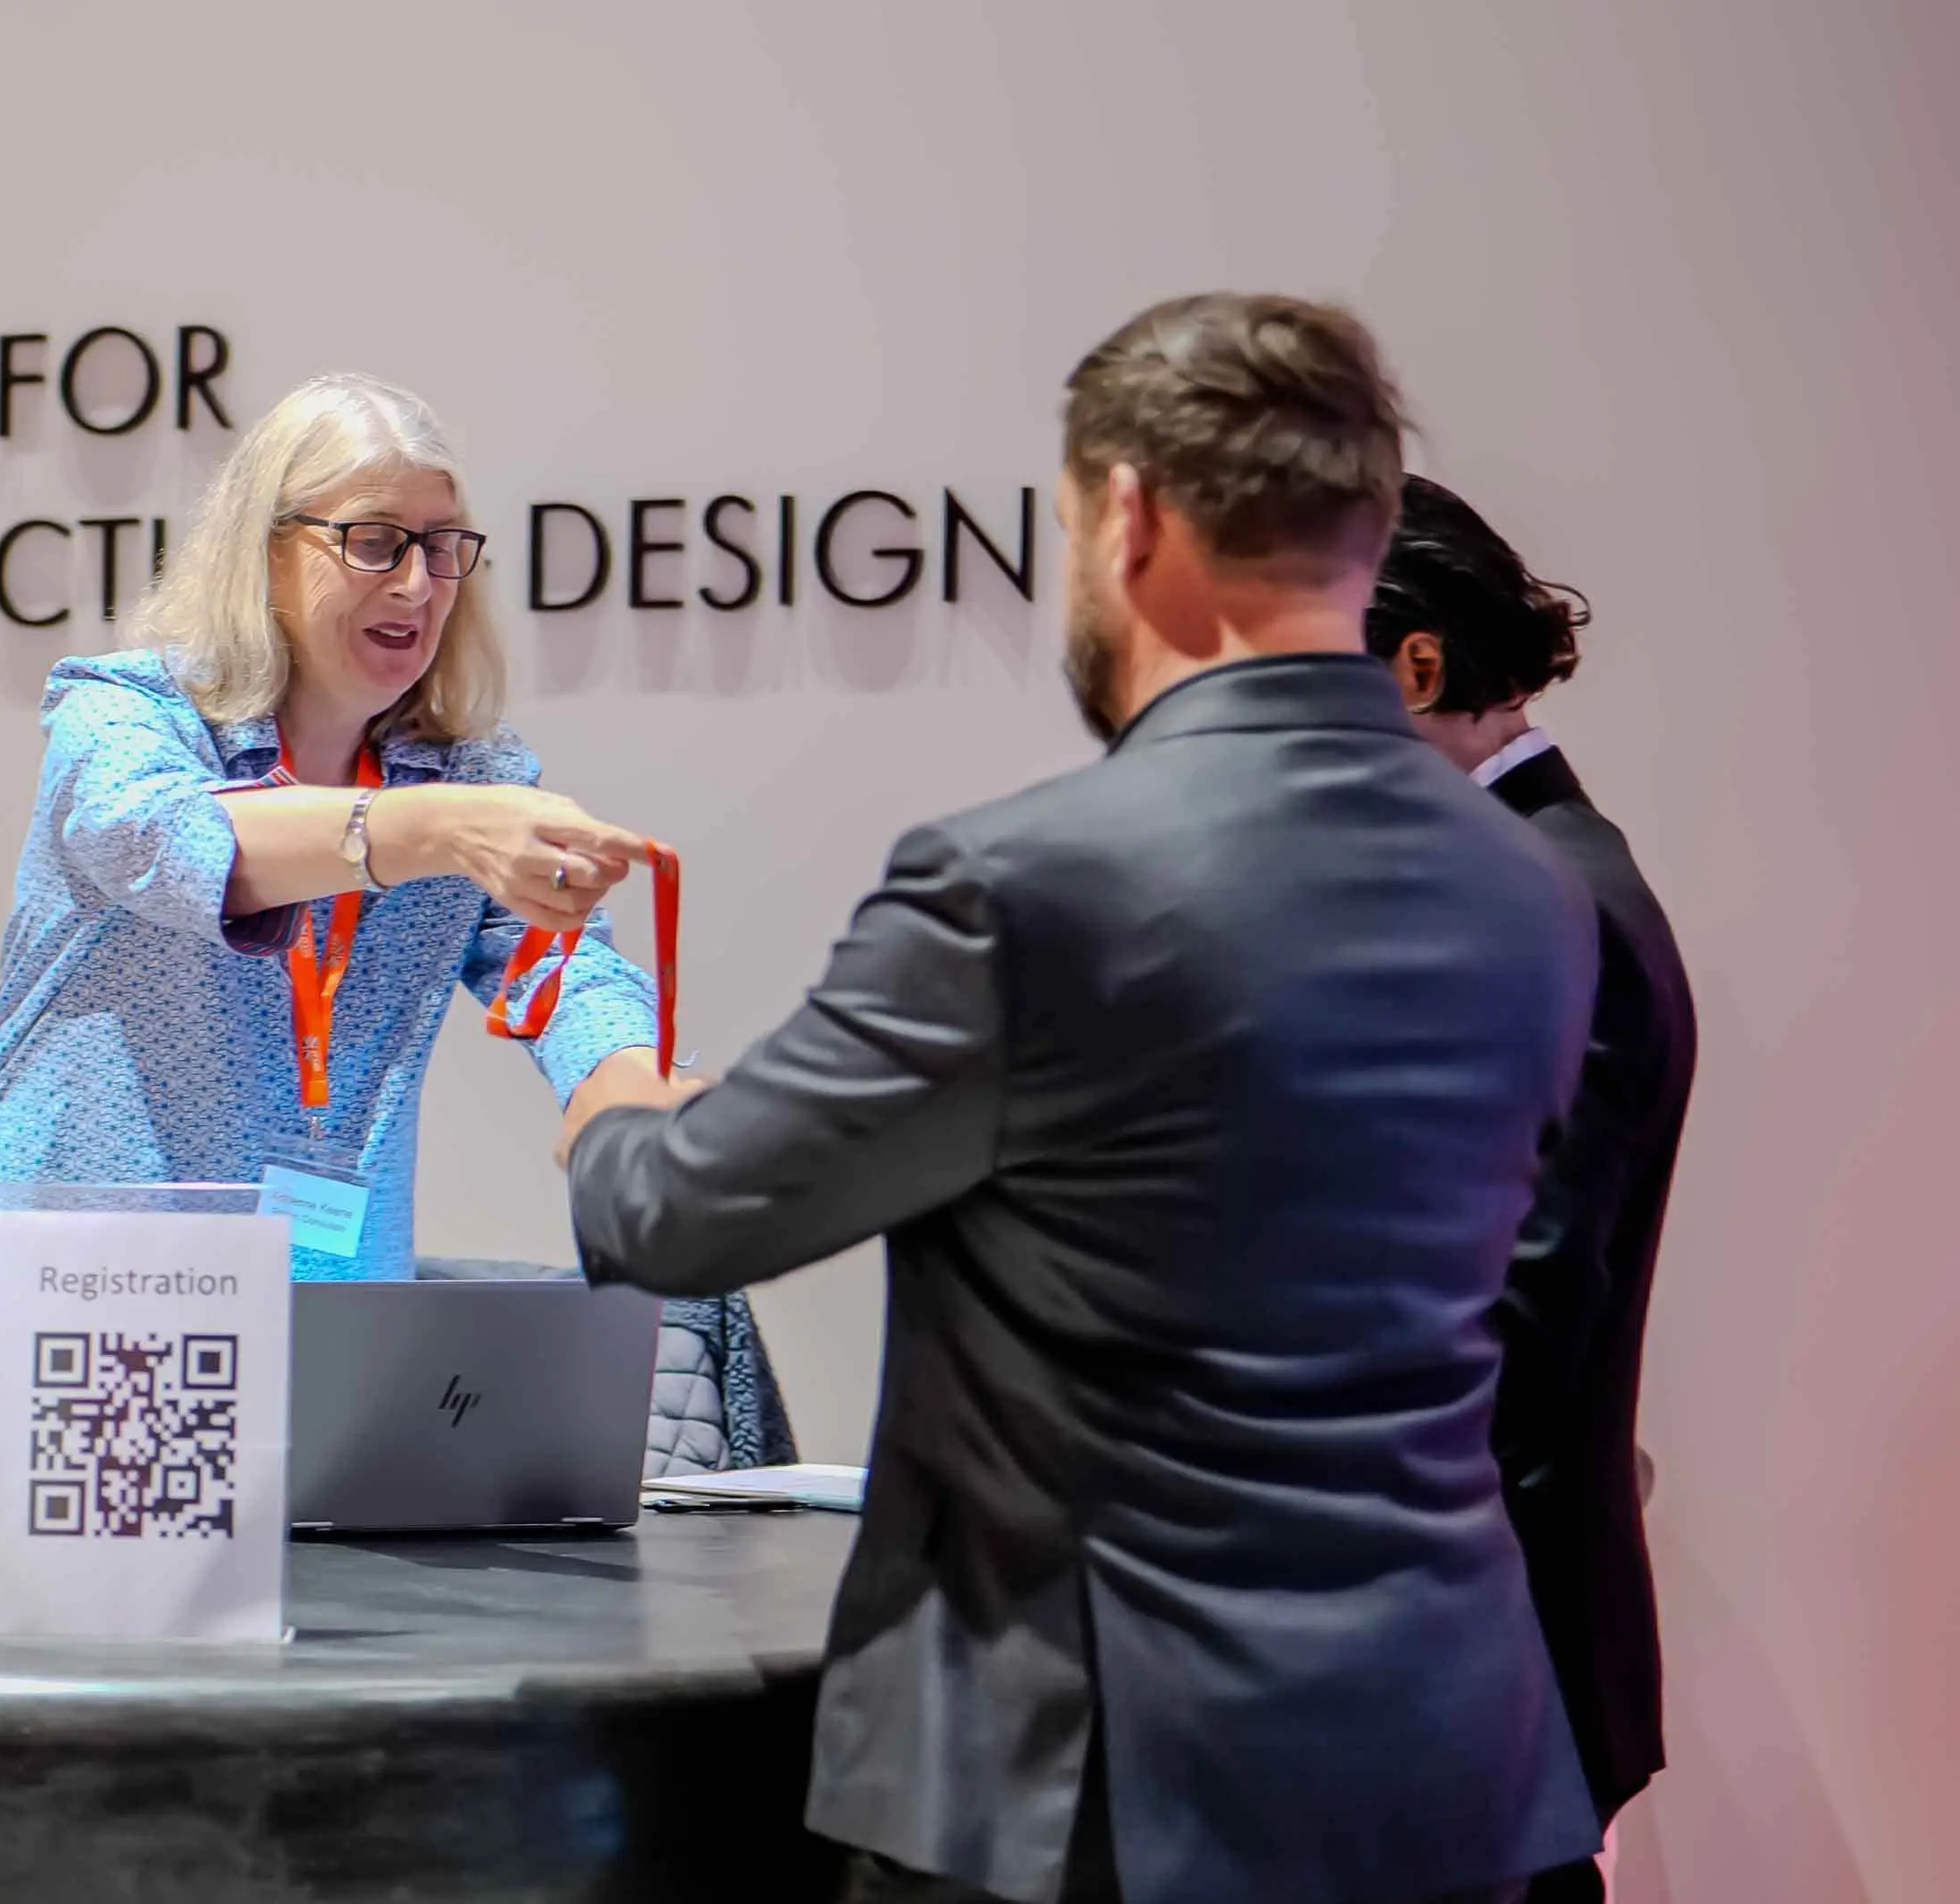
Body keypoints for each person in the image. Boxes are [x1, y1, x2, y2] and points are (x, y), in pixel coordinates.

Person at [559, 295, 1605, 1904]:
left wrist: (607, 1090)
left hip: (1099, 1794)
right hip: (1441, 1773)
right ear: (1368, 525)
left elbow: (675, 1216)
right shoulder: (1528, 896)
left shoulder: (1019, 890)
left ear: (1127, 519)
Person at [0, 373, 671, 1501]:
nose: (420, 583)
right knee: (77, 1666)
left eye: (446, 547)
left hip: (325, 1306)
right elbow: (173, 841)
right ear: (267, 551)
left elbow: (560, 962)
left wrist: (621, 1080)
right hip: (73, 1307)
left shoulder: (467, 773)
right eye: (376, 540)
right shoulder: (124, 713)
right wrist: (425, 827)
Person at [1369, 474, 1697, 1903]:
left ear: (1418, 665)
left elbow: (1508, 1327)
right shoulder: (1525, 882)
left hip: (1476, 1681)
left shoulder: (1544, 905)